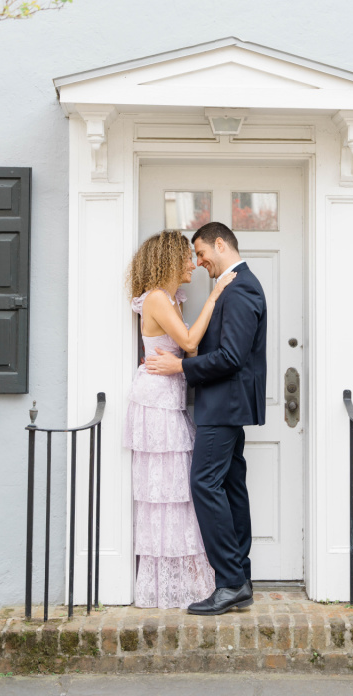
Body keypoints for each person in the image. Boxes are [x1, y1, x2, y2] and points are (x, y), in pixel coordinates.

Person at [145, 222, 267, 616]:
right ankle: (240, 578)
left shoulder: (242, 287)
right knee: (230, 488)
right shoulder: (233, 287)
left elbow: (231, 357)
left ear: (220, 244)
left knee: (204, 483)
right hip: (224, 406)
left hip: (225, 406)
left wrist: (180, 368)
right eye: (193, 257)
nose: (198, 263)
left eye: (201, 254)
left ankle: (231, 582)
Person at [123, 229, 236, 609]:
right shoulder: (156, 298)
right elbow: (188, 342)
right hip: (156, 403)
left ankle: (184, 579)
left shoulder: (171, 298)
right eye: (187, 258)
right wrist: (216, 295)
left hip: (170, 397)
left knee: (177, 492)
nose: (193, 264)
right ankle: (164, 585)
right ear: (170, 261)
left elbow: (182, 352)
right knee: (166, 492)